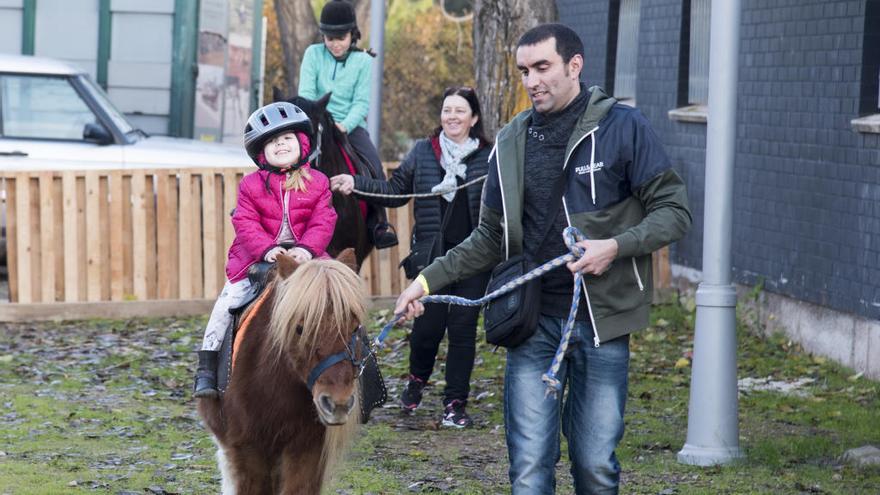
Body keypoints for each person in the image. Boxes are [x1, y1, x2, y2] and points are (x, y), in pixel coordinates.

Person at [393, 24, 692, 494]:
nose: (532, 80)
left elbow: (674, 212)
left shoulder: (622, 128)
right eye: (524, 71)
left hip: (602, 323)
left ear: (575, 65)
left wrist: (614, 246)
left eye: (542, 67)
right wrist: (426, 282)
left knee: (595, 467)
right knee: (529, 471)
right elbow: (489, 236)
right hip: (528, 324)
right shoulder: (511, 141)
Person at [330, 86, 492, 428]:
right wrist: (354, 182)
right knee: (427, 329)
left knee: (462, 331)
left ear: (474, 118)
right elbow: (395, 190)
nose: (451, 117)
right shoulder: (424, 152)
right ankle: (416, 382)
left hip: (474, 258)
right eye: (447, 110)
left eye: (459, 111)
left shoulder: (487, 158)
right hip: (431, 259)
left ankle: (455, 403)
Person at [193, 101, 337, 398]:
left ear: (302, 143)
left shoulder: (319, 182)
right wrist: (266, 249)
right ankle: (207, 368)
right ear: (262, 152)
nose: (280, 145)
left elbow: (324, 220)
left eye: (286, 139)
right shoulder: (250, 185)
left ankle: (359, 366)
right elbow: (244, 221)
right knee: (226, 304)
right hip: (256, 259)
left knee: (337, 299)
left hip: (306, 257)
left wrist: (307, 249)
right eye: (272, 141)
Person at [298, 0, 398, 249]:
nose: (334, 44)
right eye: (329, 38)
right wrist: (320, 121)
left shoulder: (363, 62)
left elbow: (362, 102)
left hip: (348, 127)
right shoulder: (313, 54)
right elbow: (306, 93)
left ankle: (379, 223)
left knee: (374, 164)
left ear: (352, 34)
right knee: (286, 156)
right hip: (316, 123)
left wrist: (344, 125)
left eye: (340, 37)